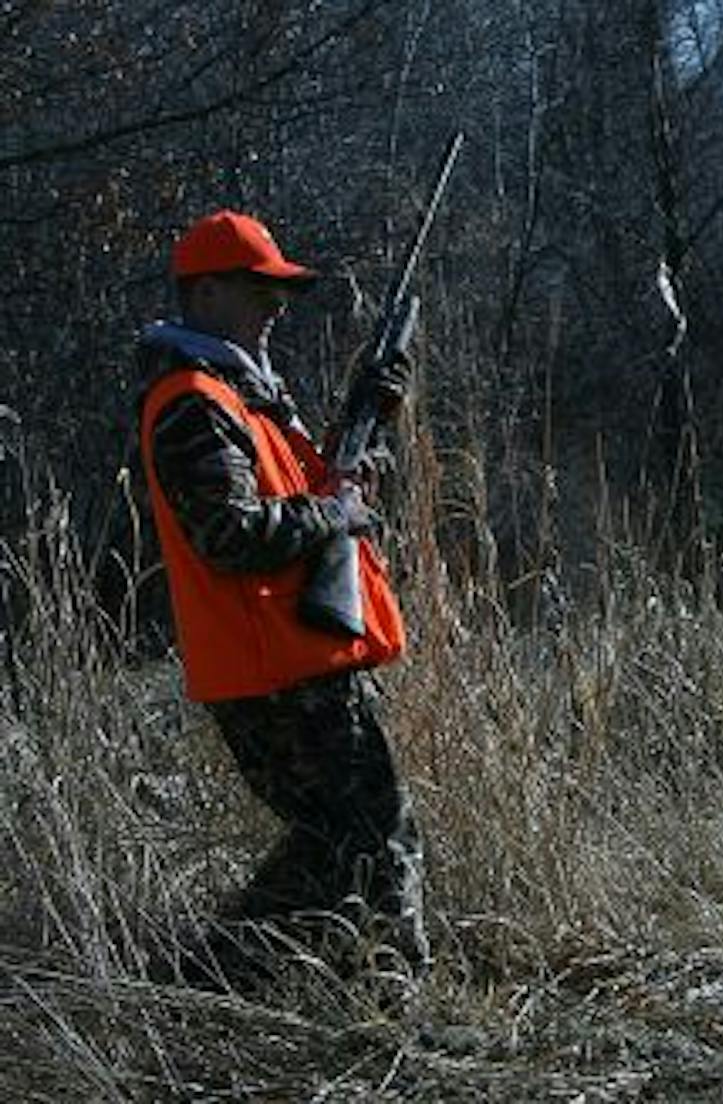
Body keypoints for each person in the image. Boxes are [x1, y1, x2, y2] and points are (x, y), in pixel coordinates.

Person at [134, 209, 428, 980]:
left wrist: (371, 428)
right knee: (372, 834)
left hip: (288, 655)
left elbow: (310, 497)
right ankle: (391, 999)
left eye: (279, 289)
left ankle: (217, 981)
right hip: (273, 669)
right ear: (203, 296)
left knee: (341, 841)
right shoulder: (195, 401)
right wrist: (335, 511)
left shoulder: (242, 395)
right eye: (258, 287)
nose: (276, 304)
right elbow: (230, 536)